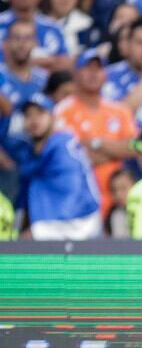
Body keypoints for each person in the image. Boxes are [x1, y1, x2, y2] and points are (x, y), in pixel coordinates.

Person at [55, 49, 138, 220]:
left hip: (116, 200)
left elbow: (134, 147)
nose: (93, 74)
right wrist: (115, 151)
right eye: (87, 68)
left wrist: (95, 143)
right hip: (78, 200)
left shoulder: (119, 110)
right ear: (75, 73)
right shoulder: (63, 111)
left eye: (98, 69)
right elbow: (68, 156)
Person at [11, 94, 102, 240]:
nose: (34, 120)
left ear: (53, 117)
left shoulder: (63, 145)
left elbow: (73, 198)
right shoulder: (30, 153)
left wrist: (40, 231)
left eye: (40, 113)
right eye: (28, 115)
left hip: (77, 224)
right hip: (52, 227)